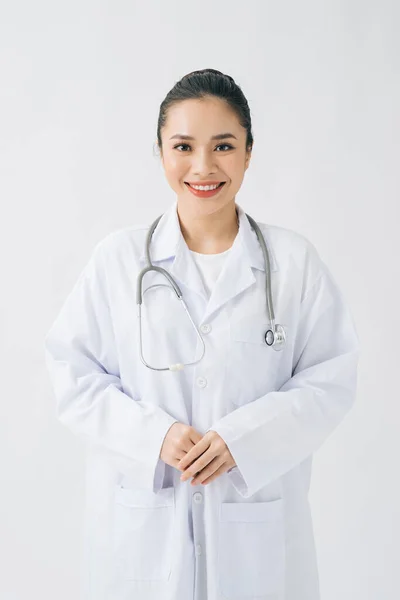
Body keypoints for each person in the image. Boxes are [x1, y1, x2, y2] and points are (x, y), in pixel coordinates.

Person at [44, 68, 360, 600]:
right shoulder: (118, 261)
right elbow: (72, 377)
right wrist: (154, 438)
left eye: (224, 145)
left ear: (249, 152)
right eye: (184, 146)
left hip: (255, 535)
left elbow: (330, 381)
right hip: (145, 536)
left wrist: (246, 440)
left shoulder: (292, 263)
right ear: (161, 152)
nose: (204, 166)